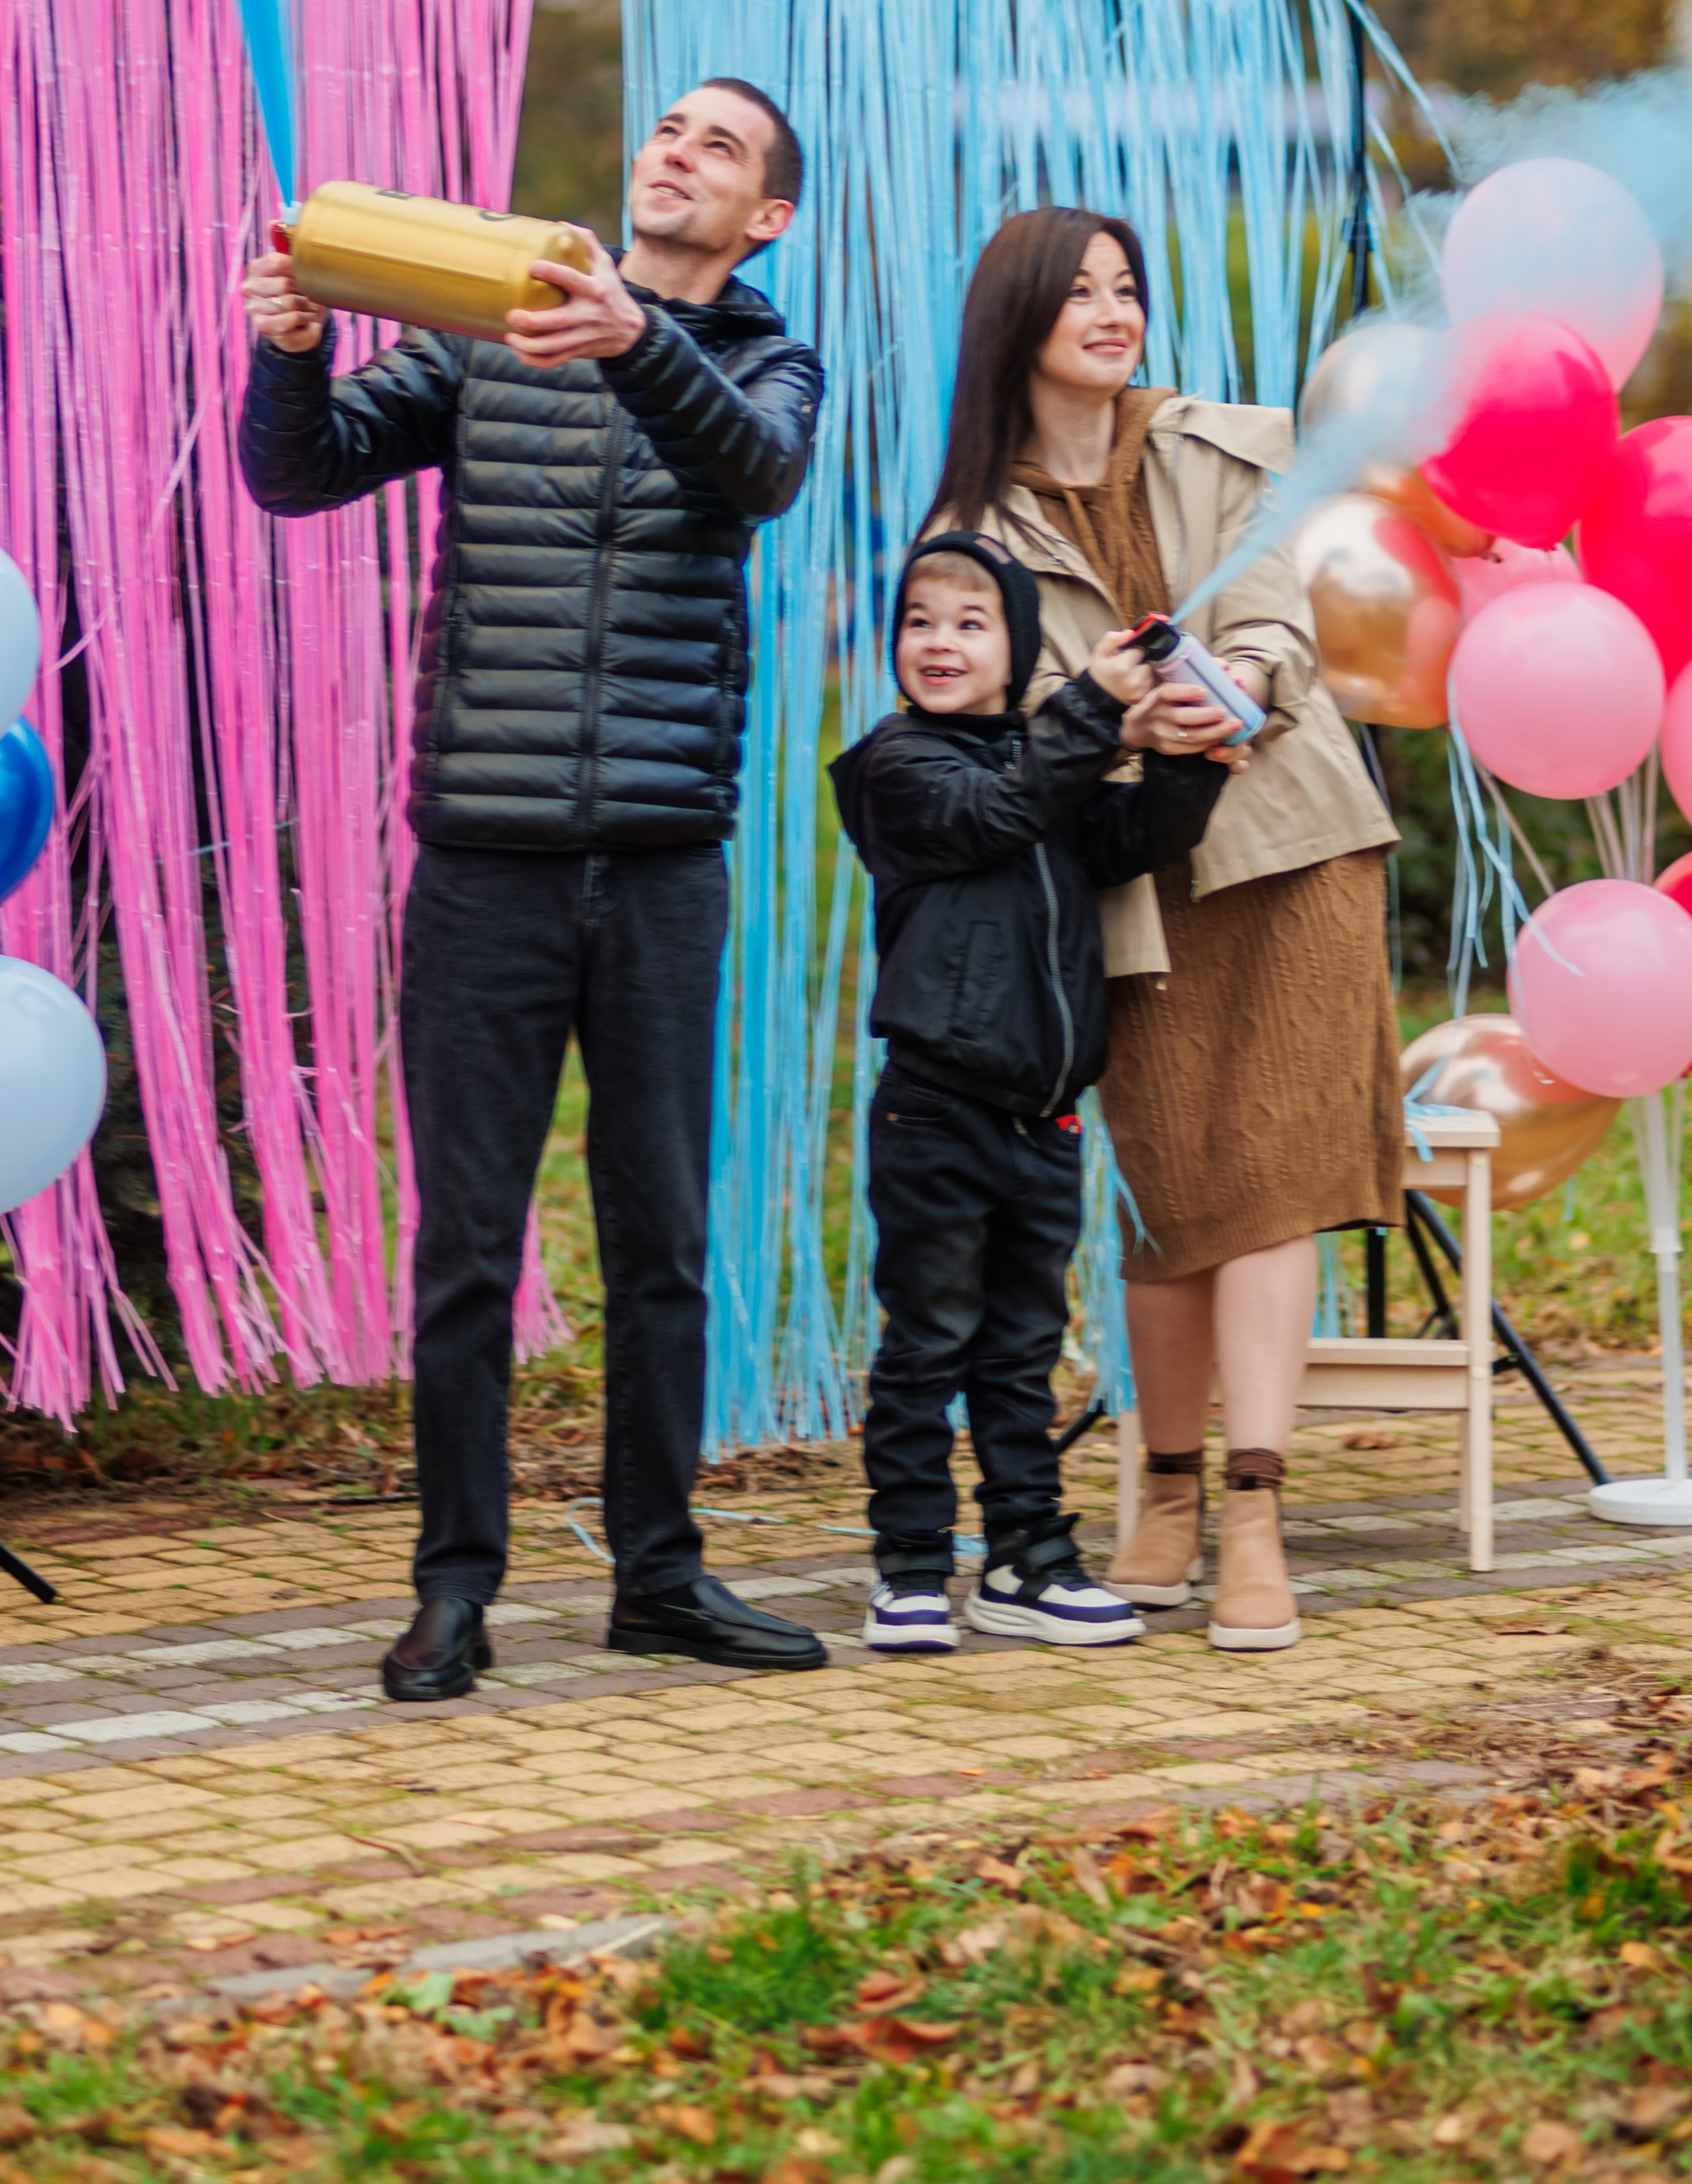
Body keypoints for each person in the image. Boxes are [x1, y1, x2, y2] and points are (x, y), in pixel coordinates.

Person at [238, 82, 830, 1701]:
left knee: (659, 1245)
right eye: (666, 130)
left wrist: (632, 340)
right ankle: (452, 1591)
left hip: (657, 873)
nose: (674, 152)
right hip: (481, 869)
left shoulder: (764, 362)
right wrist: (288, 352)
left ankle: (659, 1579)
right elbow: (300, 477)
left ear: (761, 216)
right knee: (465, 1253)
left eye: (717, 148)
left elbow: (757, 472)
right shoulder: (484, 330)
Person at [928, 207, 1403, 1655]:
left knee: (1268, 1178)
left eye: (1127, 286)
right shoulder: (970, 530)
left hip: (1290, 855)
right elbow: (984, 709)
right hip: (1121, 887)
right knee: (1164, 1197)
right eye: (1079, 291)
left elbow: (1281, 624)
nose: (1112, 310)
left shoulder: (1228, 441)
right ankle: (1167, 1489)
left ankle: (1252, 1511)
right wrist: (1113, 718)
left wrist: (1234, 689)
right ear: (1017, 320)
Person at [830, 536, 1227, 1654]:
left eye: (969, 622)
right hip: (936, 1113)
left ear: (1015, 650)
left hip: (1044, 1122)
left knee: (1020, 1354)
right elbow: (993, 813)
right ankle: (909, 1568)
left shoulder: (1050, 764)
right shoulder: (894, 766)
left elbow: (1123, 836)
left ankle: (1026, 1561)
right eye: (919, 619)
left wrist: (1188, 757)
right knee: (927, 1347)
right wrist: (1096, 716)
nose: (938, 641)